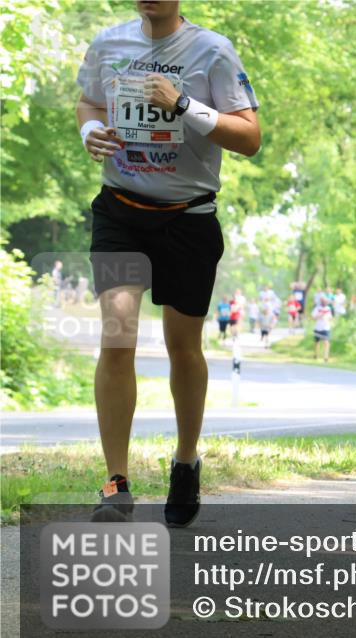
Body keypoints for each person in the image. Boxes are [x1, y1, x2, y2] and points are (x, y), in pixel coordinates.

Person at [77, 0, 260, 524]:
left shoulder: (212, 51)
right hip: (120, 213)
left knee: (184, 347)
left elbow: (249, 137)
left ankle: (185, 461)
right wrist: (91, 132)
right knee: (117, 336)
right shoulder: (109, 44)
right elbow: (88, 103)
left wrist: (183, 104)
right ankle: (116, 484)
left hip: (189, 218)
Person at [311, 297, 333, 362]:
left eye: (326, 301)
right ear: (321, 302)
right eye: (323, 301)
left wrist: (329, 319)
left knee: (326, 342)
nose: (325, 302)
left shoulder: (328, 309)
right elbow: (313, 318)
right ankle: (316, 355)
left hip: (326, 328)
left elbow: (331, 317)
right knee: (317, 343)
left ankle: (326, 357)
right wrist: (319, 316)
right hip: (318, 328)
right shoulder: (317, 308)